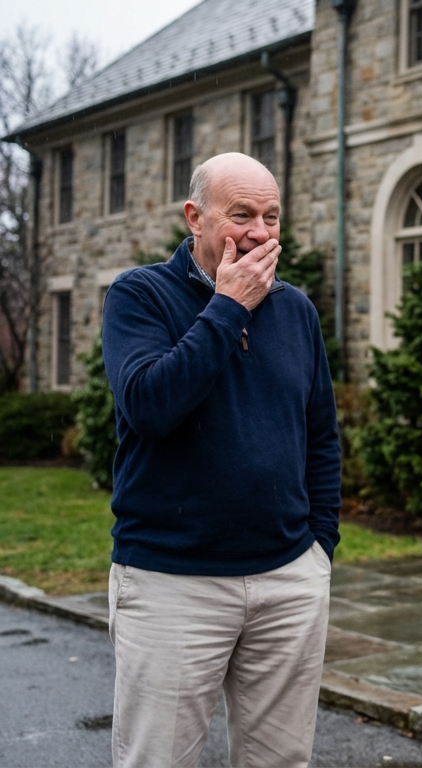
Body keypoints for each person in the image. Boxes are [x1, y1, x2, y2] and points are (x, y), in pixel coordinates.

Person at [101, 152, 340, 768]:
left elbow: (320, 437)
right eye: (241, 215)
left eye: (271, 216)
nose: (260, 232)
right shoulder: (139, 296)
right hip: (171, 582)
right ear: (195, 219)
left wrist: (319, 548)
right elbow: (151, 405)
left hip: (288, 579)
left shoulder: (296, 311)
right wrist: (228, 306)